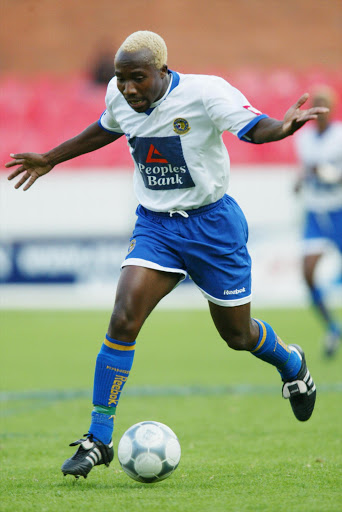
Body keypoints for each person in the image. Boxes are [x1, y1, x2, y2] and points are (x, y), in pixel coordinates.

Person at [6, 31, 325, 480]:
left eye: (138, 78)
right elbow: (105, 128)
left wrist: (283, 127)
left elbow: (253, 129)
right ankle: (98, 438)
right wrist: (53, 158)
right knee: (123, 318)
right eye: (121, 79)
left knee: (237, 335)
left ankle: (292, 364)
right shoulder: (121, 98)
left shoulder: (205, 93)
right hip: (157, 225)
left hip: (213, 226)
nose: (128, 88)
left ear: (163, 71)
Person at [294, 86, 342, 357]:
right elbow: (304, 169)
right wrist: (301, 180)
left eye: (325, 103)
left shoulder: (339, 136)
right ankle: (332, 328)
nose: (321, 108)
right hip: (315, 212)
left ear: (332, 108)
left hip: (339, 210)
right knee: (308, 273)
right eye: (317, 104)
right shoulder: (304, 139)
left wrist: (328, 175)